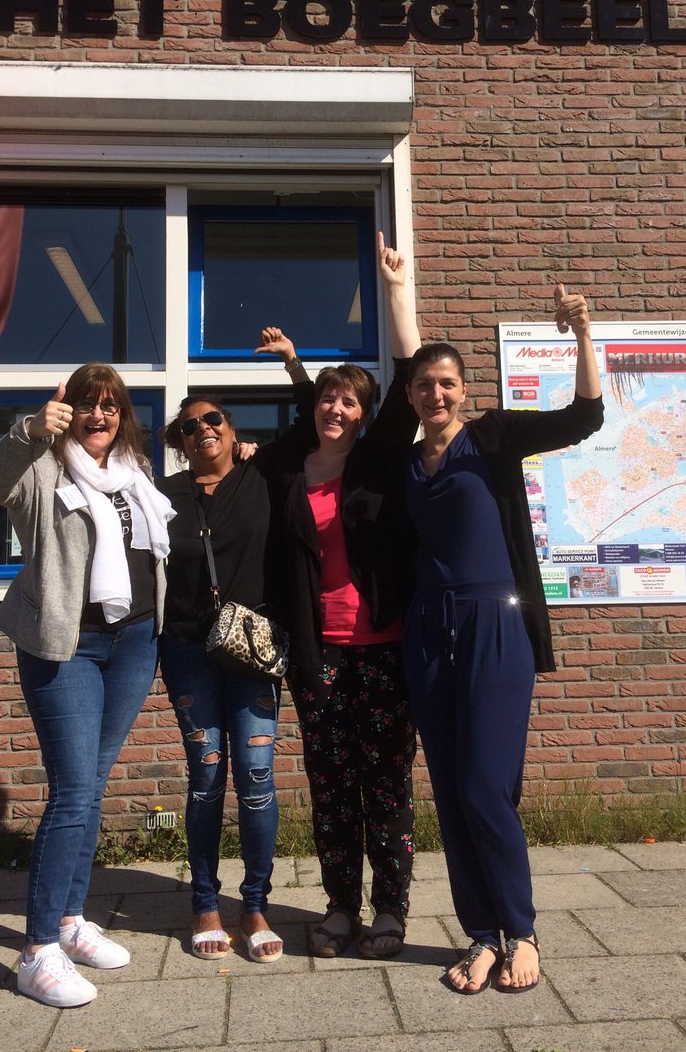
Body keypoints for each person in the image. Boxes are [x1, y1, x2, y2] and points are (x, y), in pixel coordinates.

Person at [402, 284, 604, 994]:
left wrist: (583, 334)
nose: (435, 393)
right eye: (423, 384)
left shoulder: (491, 437)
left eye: (446, 383)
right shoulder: (404, 462)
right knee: (451, 791)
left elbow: (584, 418)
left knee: (486, 786)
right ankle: (482, 935)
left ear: (464, 390)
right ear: (411, 395)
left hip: (495, 622)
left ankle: (521, 930)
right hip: (429, 631)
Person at [0, 364, 175, 1008]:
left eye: (110, 406)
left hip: (134, 642)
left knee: (94, 784)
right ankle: (37, 952)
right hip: (68, 647)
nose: (98, 415)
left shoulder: (135, 472)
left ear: (123, 417)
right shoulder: (42, 466)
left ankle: (69, 920)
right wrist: (30, 430)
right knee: (73, 791)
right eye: (87, 404)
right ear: (70, 413)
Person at [270, 233, 421, 960]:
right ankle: (339, 907)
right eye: (328, 397)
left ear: (365, 413)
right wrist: (299, 368)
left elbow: (412, 373)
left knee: (386, 783)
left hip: (383, 649)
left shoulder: (378, 462)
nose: (336, 407)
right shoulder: (288, 468)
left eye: (349, 400)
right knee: (330, 786)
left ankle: (390, 910)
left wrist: (396, 292)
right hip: (318, 653)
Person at [156, 330, 312, 964]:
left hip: (252, 650)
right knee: (205, 775)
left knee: (255, 776)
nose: (203, 430)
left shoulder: (261, 474)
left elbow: (310, 424)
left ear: (231, 428)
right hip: (187, 649)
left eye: (212, 419)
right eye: (189, 426)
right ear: (179, 440)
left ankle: (255, 905)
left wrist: (293, 365)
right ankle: (203, 903)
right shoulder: (162, 495)